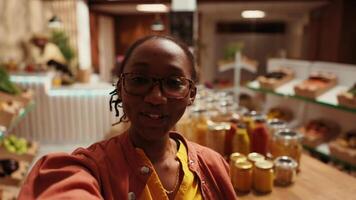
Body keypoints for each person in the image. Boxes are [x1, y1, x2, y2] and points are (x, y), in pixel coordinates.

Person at [19, 35, 237, 200]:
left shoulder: (212, 164)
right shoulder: (90, 168)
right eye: (140, 79)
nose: (155, 97)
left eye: (173, 82)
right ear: (121, 87)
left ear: (191, 94)